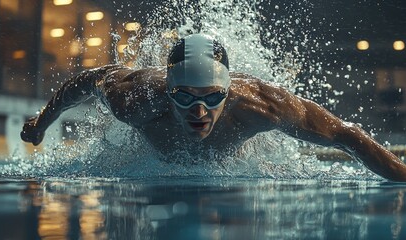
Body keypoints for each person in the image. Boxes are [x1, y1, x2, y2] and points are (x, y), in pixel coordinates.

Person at [21, 34, 406, 181]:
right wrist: (42, 122)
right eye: (185, 97)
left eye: (212, 98)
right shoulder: (135, 99)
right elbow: (86, 81)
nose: (199, 111)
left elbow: (347, 135)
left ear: (229, 93)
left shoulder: (261, 107)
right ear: (169, 91)